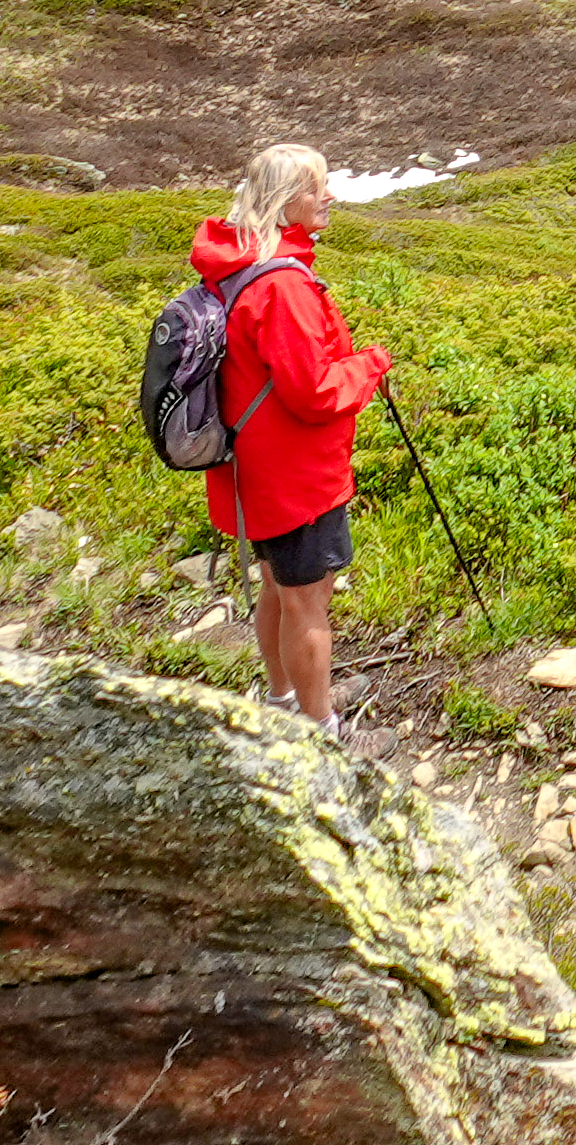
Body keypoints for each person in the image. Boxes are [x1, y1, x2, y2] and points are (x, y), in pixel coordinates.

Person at [191, 142, 389, 731]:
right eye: (316, 188)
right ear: (286, 200)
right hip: (295, 477)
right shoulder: (282, 287)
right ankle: (318, 732)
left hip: (254, 470)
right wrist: (371, 365)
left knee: (278, 587)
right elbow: (313, 392)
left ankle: (281, 700)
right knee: (308, 601)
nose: (328, 196)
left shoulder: (240, 262)